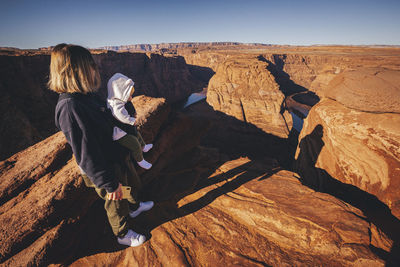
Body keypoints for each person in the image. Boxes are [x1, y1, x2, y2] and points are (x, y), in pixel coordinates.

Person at [48, 43, 153, 247]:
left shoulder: (85, 97)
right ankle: (122, 233)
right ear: (75, 71)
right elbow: (85, 152)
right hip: (101, 167)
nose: (95, 68)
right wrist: (107, 182)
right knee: (115, 200)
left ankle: (134, 208)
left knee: (128, 186)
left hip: (111, 158)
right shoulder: (70, 107)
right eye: (90, 65)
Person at [107, 73, 153, 170]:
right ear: (120, 92)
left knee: (137, 134)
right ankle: (141, 161)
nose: (131, 98)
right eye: (129, 95)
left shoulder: (117, 100)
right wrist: (132, 121)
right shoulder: (116, 105)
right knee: (135, 143)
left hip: (124, 128)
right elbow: (121, 116)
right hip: (119, 133)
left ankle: (144, 147)